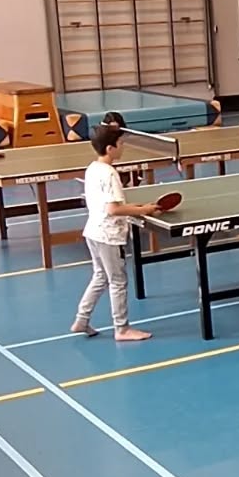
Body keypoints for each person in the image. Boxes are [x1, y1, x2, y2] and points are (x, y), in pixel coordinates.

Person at [71, 124, 166, 342]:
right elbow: (113, 209)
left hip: (93, 232)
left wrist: (137, 206)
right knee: (117, 281)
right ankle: (122, 329)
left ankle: (81, 320)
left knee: (100, 276)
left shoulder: (92, 168)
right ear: (110, 148)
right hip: (108, 235)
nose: (123, 147)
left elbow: (108, 203)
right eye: (121, 143)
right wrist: (143, 210)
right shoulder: (110, 173)